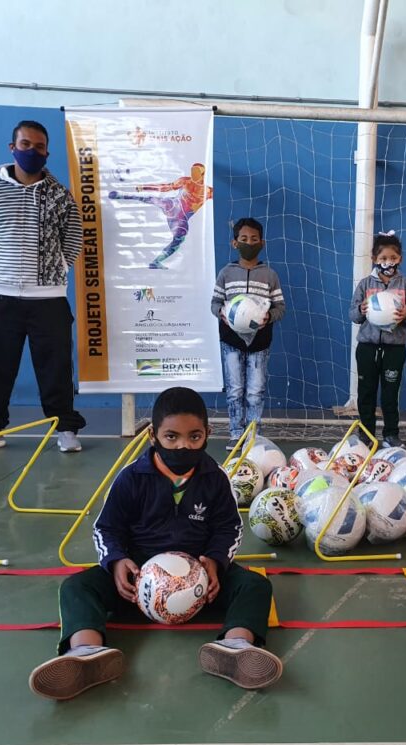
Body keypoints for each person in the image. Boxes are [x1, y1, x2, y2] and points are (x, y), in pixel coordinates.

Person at [28, 386, 281, 701]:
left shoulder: (215, 478)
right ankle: (85, 652)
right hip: (138, 584)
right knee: (76, 587)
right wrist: (117, 561)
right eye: (171, 437)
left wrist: (215, 562)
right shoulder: (132, 478)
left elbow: (228, 527)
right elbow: (106, 528)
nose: (183, 446)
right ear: (153, 435)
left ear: (207, 433)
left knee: (255, 586)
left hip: (200, 581)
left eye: (194, 437)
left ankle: (236, 647)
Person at [0, 120, 85, 454]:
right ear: (12, 148)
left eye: (38, 147)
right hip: (0, 296)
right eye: (25, 144)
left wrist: (56, 268)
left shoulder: (60, 195)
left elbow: (73, 237)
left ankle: (64, 428)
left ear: (47, 152)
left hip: (48, 300)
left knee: (56, 369)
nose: (31, 151)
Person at [210, 218, 286, 450]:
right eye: (244, 239)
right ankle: (235, 433)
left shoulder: (270, 275)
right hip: (231, 340)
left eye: (254, 239)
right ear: (235, 243)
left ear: (262, 243)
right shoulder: (226, 273)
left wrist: (268, 317)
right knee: (235, 390)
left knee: (255, 391)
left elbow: (280, 308)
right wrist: (222, 313)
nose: (249, 243)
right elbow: (214, 303)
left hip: (260, 342)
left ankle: (253, 436)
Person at [349, 231, 406, 449]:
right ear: (374, 259)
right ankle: (365, 434)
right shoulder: (364, 284)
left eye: (392, 258)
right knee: (366, 393)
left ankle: (391, 434)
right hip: (367, 347)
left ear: (399, 259)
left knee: (390, 394)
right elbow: (352, 315)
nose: (387, 262)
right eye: (383, 258)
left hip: (394, 349)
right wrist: (362, 310)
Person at [107, 163, 213, 269]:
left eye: (196, 172)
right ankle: (121, 195)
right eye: (192, 170)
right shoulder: (185, 181)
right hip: (172, 206)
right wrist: (144, 187)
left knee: (179, 239)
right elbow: (165, 187)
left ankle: (155, 262)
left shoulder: (208, 191)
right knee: (149, 198)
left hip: (180, 218)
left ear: (203, 174)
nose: (193, 173)